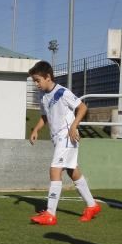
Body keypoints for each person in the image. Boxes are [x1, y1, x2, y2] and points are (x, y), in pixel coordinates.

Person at [28, 61, 102, 225]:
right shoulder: (43, 96)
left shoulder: (62, 92)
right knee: (72, 172)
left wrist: (74, 126)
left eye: (37, 80)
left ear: (48, 77)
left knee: (55, 170)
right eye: (34, 80)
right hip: (58, 138)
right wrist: (36, 130)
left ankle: (50, 213)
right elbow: (45, 116)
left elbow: (82, 107)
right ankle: (92, 205)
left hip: (67, 137)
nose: (36, 83)